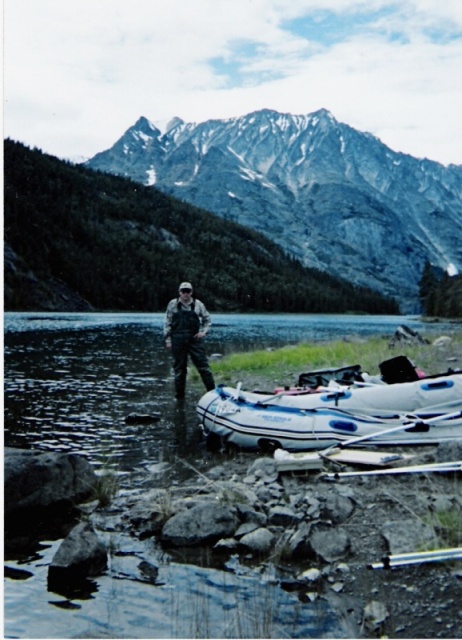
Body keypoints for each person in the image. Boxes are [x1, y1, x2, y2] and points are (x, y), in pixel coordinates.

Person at [164, 282, 215, 399]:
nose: (185, 294)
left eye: (188, 291)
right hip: (177, 340)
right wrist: (168, 340)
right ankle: (179, 398)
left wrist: (204, 332)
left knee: (204, 368)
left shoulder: (198, 304)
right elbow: (167, 323)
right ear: (179, 292)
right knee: (179, 370)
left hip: (195, 340)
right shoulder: (172, 304)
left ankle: (213, 394)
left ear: (191, 292)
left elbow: (208, 320)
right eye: (183, 291)